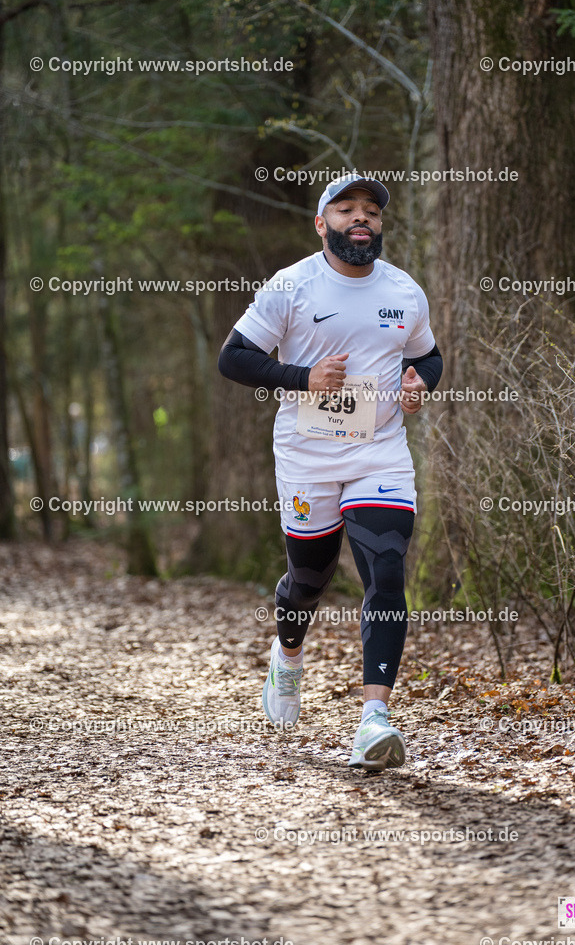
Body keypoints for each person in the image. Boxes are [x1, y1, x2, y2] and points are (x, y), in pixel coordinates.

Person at [218, 174, 442, 771]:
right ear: (322, 224)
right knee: (307, 580)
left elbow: (427, 355)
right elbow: (233, 358)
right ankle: (288, 655)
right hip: (307, 456)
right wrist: (302, 378)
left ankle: (375, 720)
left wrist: (421, 383)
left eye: (370, 210)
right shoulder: (291, 286)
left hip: (380, 453)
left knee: (386, 571)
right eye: (345, 209)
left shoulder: (404, 291)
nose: (360, 218)